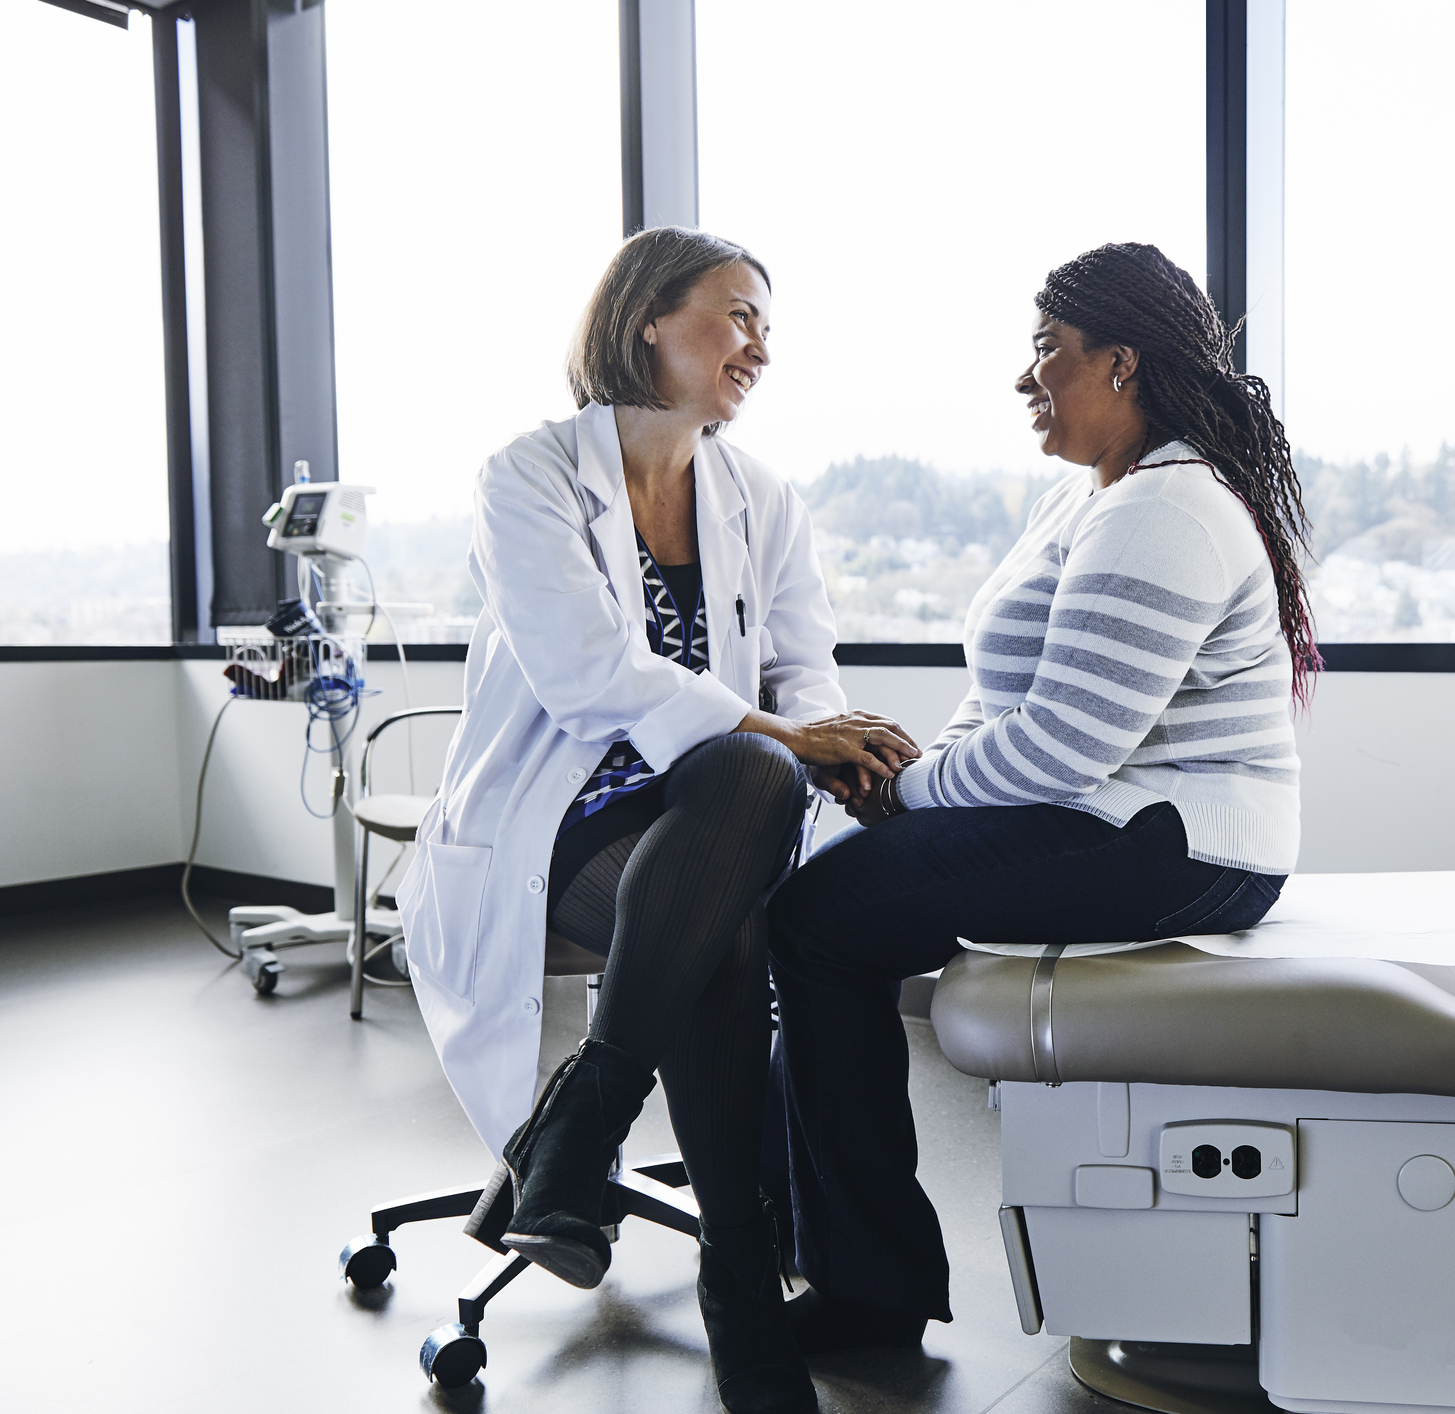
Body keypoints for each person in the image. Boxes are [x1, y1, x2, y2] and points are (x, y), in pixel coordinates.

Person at [399, 227, 918, 1414]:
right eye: (738, 317)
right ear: (647, 319)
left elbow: (807, 666)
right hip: (555, 823)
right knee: (740, 832)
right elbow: (589, 673)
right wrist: (790, 740)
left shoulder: (761, 493)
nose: (759, 350)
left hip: (707, 816)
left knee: (744, 793)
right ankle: (736, 1269)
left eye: (767, 329)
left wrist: (835, 736)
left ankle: (585, 1122)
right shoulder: (529, 475)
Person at [765, 241, 1316, 1352]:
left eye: (1045, 353)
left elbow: (1064, 746)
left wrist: (908, 795)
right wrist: (901, 779)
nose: (1027, 380)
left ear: (1120, 363)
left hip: (1177, 845)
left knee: (819, 924)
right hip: (1113, 821)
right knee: (825, 903)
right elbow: (1004, 708)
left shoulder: (1166, 510)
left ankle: (867, 1292)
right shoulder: (1091, 502)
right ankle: (827, 1250)